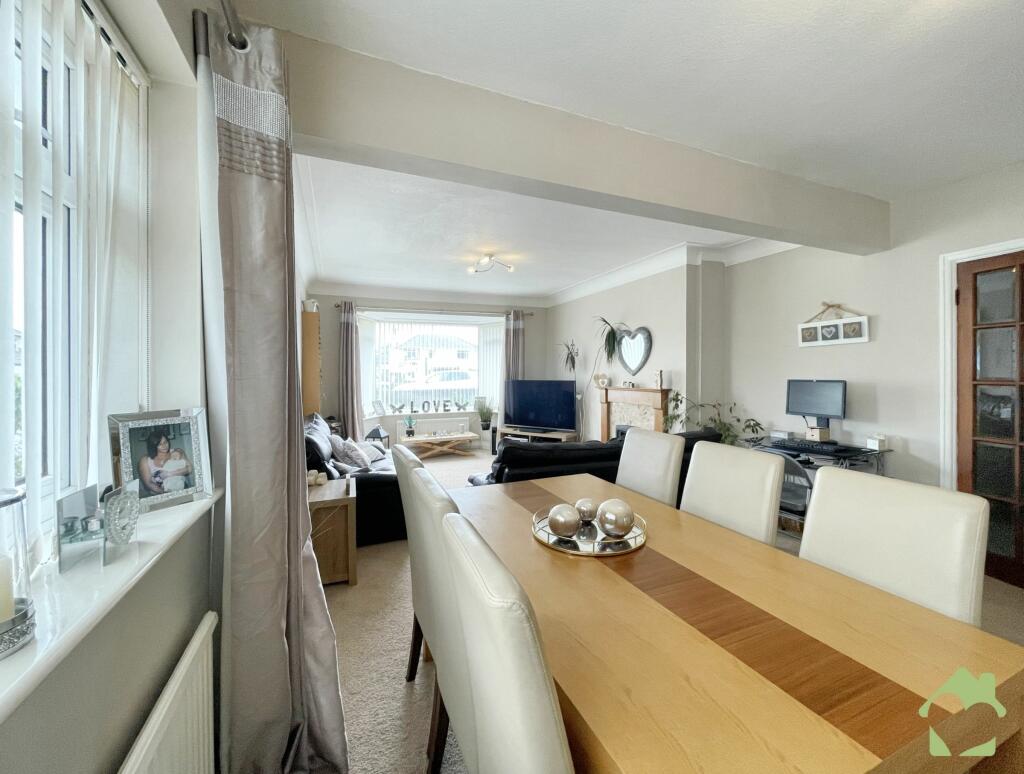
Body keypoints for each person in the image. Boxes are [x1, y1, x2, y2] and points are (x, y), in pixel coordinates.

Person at [138, 429, 172, 496]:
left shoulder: (175, 453)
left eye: (165, 442)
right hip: (158, 494)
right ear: (153, 445)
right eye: (160, 444)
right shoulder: (145, 460)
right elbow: (148, 483)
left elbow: (187, 469)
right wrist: (165, 493)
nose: (164, 445)